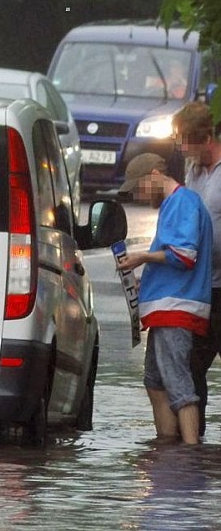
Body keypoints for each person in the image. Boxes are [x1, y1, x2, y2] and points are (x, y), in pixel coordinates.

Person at [116, 152, 212, 445]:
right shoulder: (175, 204)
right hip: (167, 306)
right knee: (156, 381)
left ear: (156, 174)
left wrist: (142, 256)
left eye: (140, 186)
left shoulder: (183, 202)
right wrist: (146, 277)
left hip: (177, 306)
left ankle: (188, 453)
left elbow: (184, 255)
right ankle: (167, 447)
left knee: (178, 383)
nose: (139, 194)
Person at [173, 101, 221, 437]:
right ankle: (196, 441)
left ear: (207, 138)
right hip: (202, 287)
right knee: (192, 366)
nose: (183, 150)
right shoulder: (193, 171)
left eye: (188, 142)